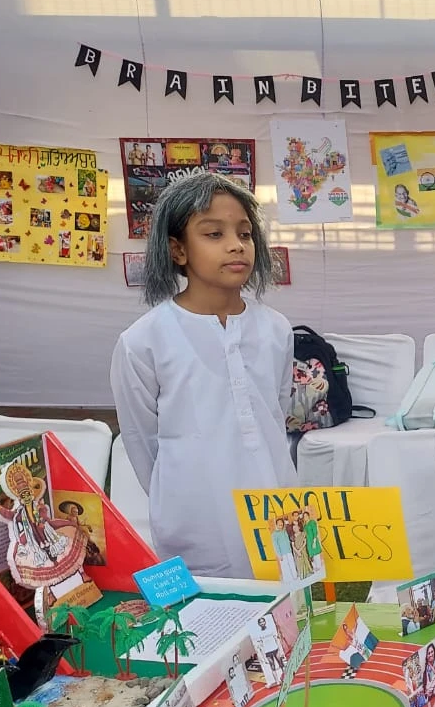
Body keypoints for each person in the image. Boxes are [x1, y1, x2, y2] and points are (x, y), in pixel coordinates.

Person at [110, 172, 296, 578]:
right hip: (195, 516)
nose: (236, 245)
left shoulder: (276, 329)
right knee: (206, 609)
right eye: (214, 234)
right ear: (178, 249)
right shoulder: (143, 340)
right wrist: (181, 490)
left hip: (276, 503)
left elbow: (275, 415)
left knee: (285, 603)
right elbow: (142, 442)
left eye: (245, 234)